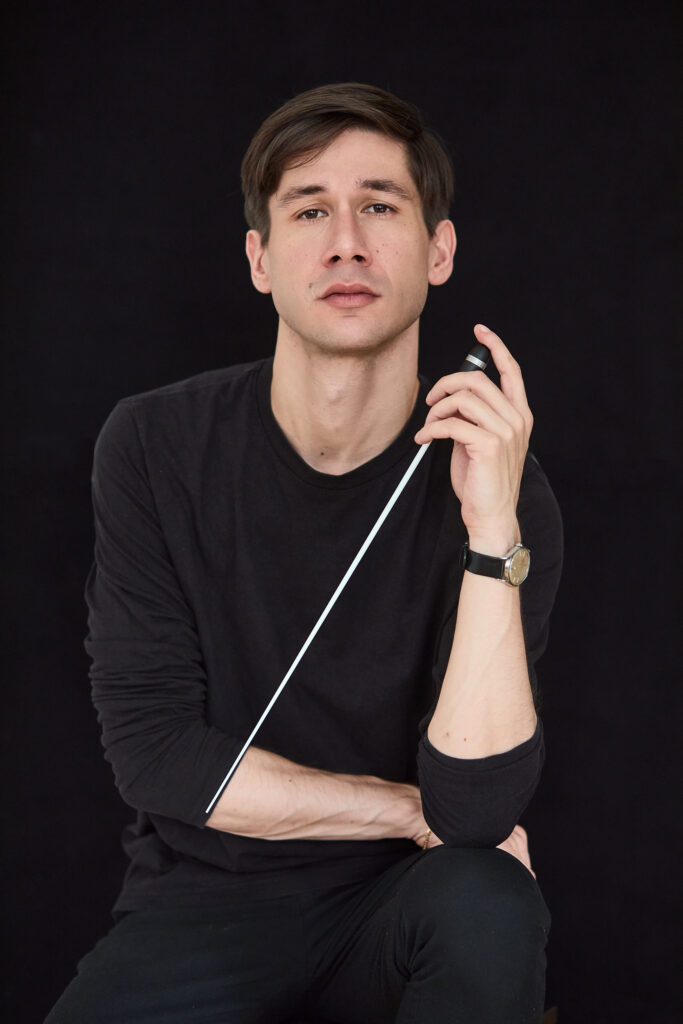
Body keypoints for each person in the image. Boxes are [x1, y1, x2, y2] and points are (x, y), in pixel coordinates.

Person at [46, 83, 563, 1023]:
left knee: (486, 898)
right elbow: (158, 756)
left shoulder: (500, 487)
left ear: (438, 250)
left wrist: (492, 537)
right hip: (203, 907)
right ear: (260, 259)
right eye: (309, 210)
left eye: (378, 206)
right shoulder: (153, 445)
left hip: (404, 907)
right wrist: (412, 814)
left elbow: (479, 814)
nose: (345, 243)